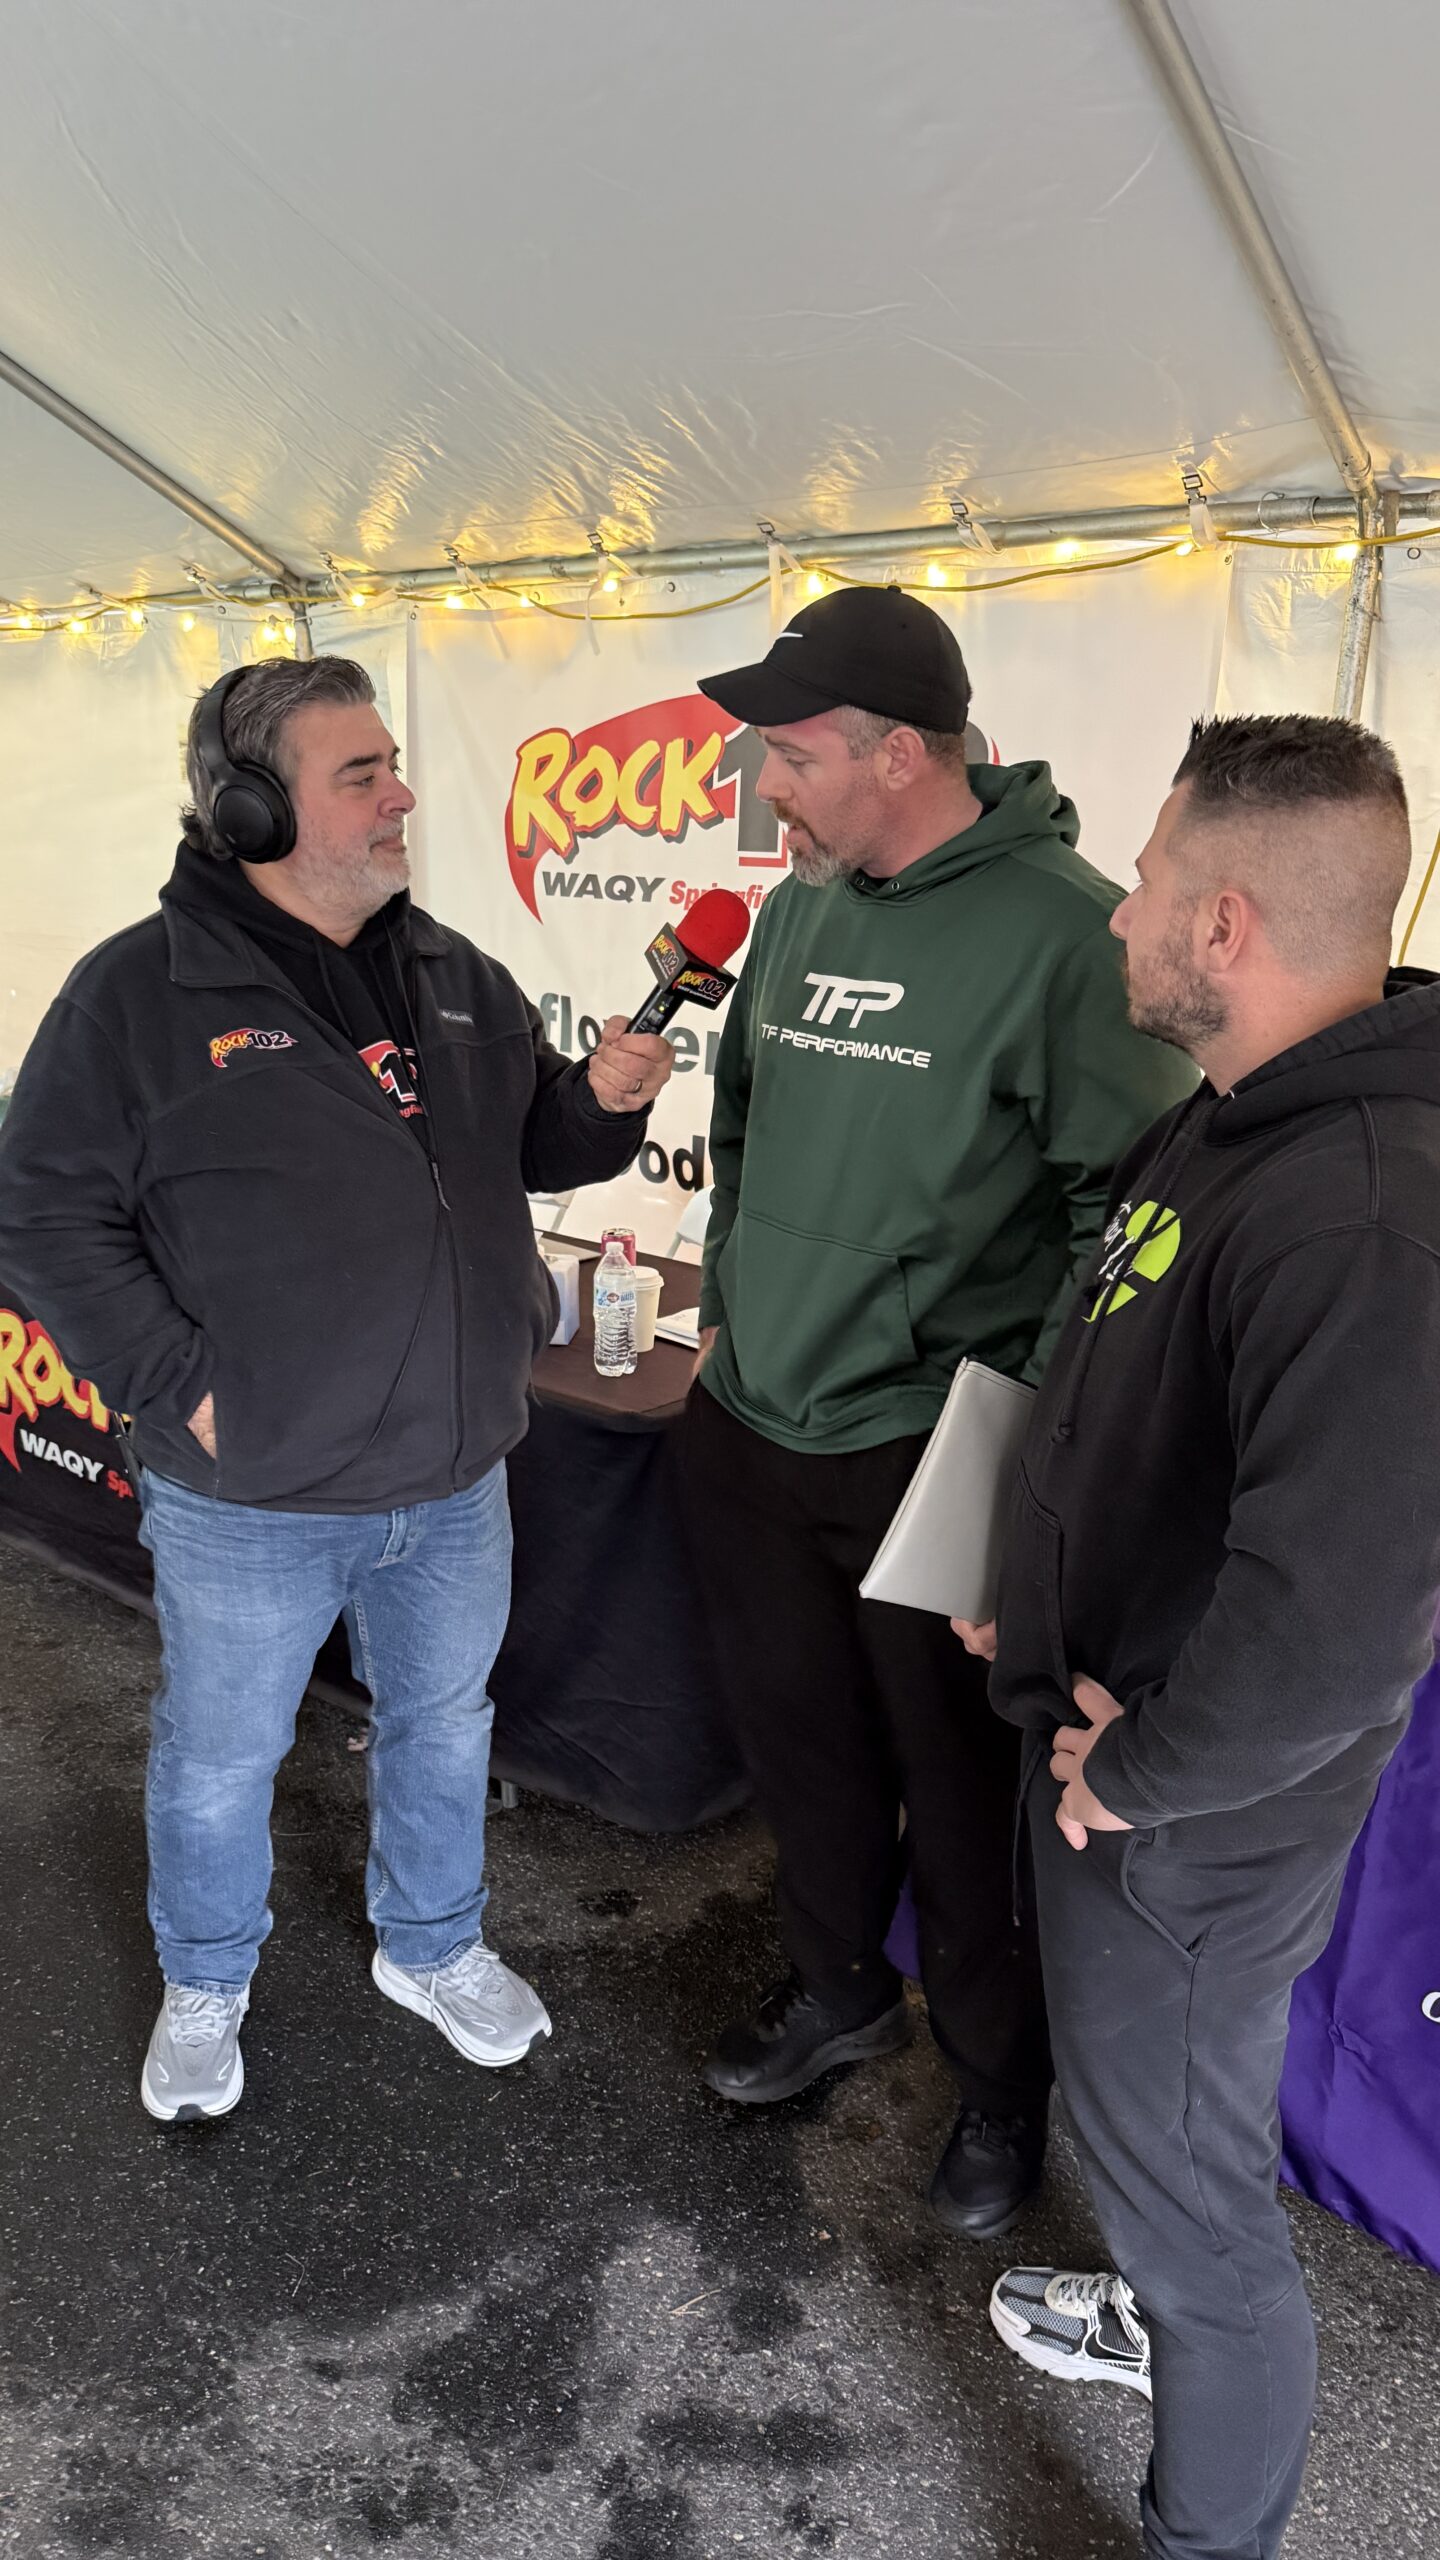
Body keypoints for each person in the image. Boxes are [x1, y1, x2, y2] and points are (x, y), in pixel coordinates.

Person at [0, 655, 674, 2121]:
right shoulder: (136, 994)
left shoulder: (453, 972)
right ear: (250, 811)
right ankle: (206, 1977)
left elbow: (527, 1145)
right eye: (361, 774)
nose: (402, 795)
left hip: (455, 1474)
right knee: (220, 1756)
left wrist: (599, 1105)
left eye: (394, 765)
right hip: (250, 1493)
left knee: (446, 1722)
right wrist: (184, 1384)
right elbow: (41, 1212)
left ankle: (431, 1944)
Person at [961, 713, 1440, 2559]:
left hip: (1182, 1822)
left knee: (1200, 2215)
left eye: (1148, 880)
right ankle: (1154, 2304)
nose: (1120, 913)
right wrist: (1032, 1569)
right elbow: (1142, 1405)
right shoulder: (1234, 1116)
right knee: (1164, 2144)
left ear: (1223, 922)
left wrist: (1139, 1776)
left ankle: (1206, 2526)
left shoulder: (1366, 1210)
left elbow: (1339, 1623)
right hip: (1129, 1758)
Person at [681, 584, 1193, 2238]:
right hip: (754, 1420)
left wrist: (1017, 1441)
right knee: (804, 1753)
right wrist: (735, 1296)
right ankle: (836, 1989)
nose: (766, 788)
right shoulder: (799, 913)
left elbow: (1120, 1225)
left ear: (900, 752)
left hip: (928, 1444)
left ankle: (995, 2089)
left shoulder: (1070, 936)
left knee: (969, 1802)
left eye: (790, 756)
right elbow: (739, 1125)